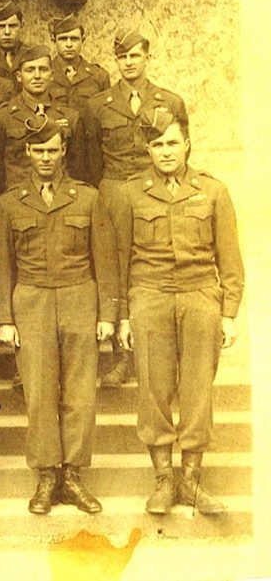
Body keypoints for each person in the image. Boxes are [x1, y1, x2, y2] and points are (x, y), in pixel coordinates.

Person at [110, 109, 243, 515]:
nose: (165, 151)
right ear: (148, 150)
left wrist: (228, 313)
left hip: (199, 295)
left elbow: (229, 258)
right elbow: (120, 259)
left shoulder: (213, 191)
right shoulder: (131, 194)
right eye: (157, 144)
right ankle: (164, 481)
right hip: (149, 295)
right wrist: (121, 316)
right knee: (153, 389)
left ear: (186, 144)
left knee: (198, 390)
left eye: (172, 143)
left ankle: (192, 481)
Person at [0, 115, 117, 514]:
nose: (46, 158)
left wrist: (107, 314)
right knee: (40, 393)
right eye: (39, 151)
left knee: (80, 393)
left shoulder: (88, 198)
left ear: (64, 151)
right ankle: (47, 476)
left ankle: (74, 476)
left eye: (52, 150)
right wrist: (4, 318)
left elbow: (104, 259)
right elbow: (1, 264)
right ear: (27, 152)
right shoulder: (10, 202)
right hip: (32, 301)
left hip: (79, 297)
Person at [82, 26, 189, 386]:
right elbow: (89, 160)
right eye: (122, 57)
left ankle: (164, 354)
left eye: (134, 56)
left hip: (154, 195)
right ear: (115, 60)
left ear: (147, 57)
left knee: (156, 263)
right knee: (115, 269)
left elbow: (179, 154)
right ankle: (122, 357)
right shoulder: (98, 105)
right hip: (113, 194)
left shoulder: (170, 102)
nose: (128, 63)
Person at [0, 45, 85, 198]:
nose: (37, 76)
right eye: (30, 70)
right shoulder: (2, 117)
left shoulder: (70, 116)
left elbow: (77, 168)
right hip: (19, 199)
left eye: (43, 70)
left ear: (52, 75)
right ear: (19, 76)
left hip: (60, 198)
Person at [47, 14, 110, 111]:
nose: (69, 45)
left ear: (83, 40)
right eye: (63, 39)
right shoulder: (43, 74)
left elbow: (106, 114)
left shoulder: (99, 76)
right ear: (53, 40)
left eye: (74, 39)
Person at [0, 0, 27, 80]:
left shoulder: (30, 54)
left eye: (12, 26)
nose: (7, 32)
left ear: (21, 25)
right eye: (1, 26)